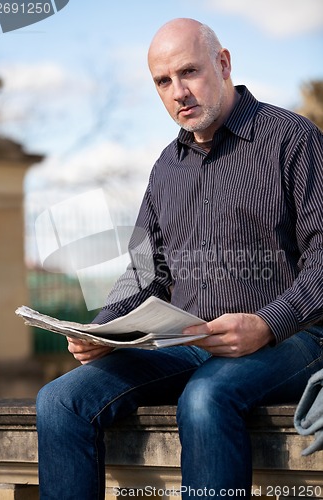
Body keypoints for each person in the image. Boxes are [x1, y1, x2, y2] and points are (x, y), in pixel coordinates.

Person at [36, 18, 323, 499]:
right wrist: (102, 331)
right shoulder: (167, 167)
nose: (178, 93)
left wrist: (268, 323)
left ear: (224, 63)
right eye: (163, 82)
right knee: (59, 400)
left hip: (292, 340)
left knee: (206, 397)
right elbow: (146, 271)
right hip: (186, 342)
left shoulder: (292, 138)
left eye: (188, 72)